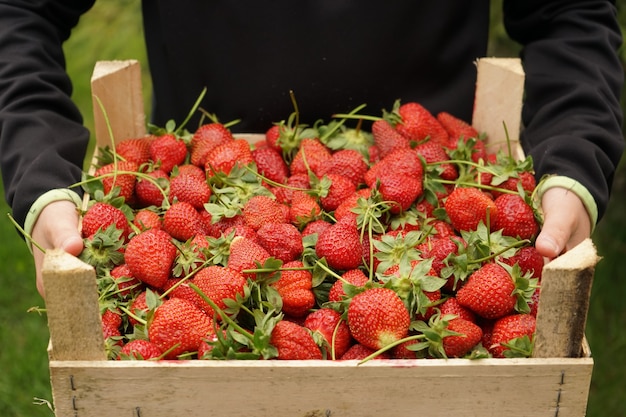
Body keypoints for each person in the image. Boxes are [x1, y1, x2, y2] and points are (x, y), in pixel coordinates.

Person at [0, 1, 623, 297]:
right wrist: (42, 178)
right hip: (201, 191)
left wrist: (574, 161)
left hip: (441, 185)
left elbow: (567, 11)